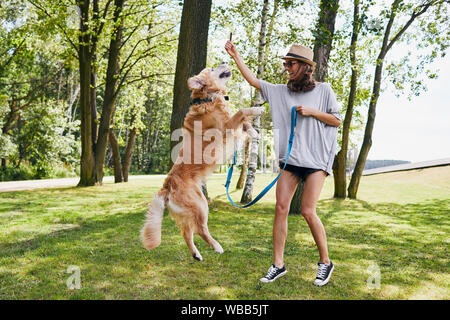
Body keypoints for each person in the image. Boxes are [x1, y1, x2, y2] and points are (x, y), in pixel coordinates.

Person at [225, 41, 341, 286]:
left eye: (291, 64)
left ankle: (325, 262)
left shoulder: (323, 90)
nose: (286, 67)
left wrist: (312, 112)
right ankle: (278, 265)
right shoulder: (280, 91)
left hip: (316, 160)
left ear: (305, 67)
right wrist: (236, 56)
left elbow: (336, 120)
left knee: (308, 211)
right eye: (285, 63)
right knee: (280, 208)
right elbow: (253, 81)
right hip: (290, 160)